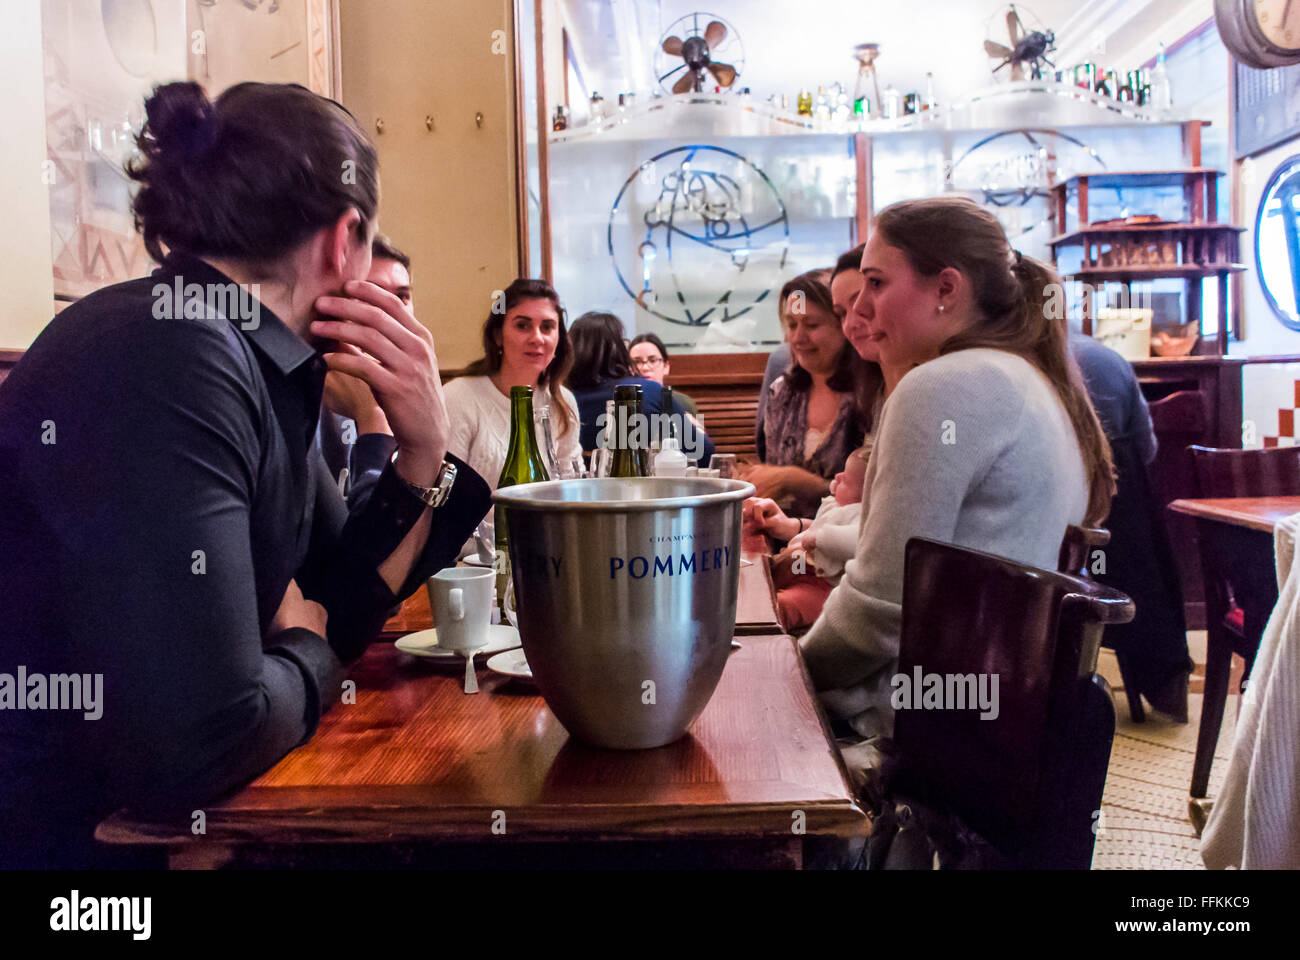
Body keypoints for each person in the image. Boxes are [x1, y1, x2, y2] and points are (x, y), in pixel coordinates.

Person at [0, 81, 488, 867]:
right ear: (345, 238)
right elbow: (192, 744)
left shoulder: (249, 357)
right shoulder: (175, 352)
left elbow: (341, 599)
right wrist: (306, 650)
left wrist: (421, 452)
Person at [756, 196, 1115, 768]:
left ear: (946, 288)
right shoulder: (1027, 376)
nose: (860, 312)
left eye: (876, 283)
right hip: (1002, 718)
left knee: (716, 734)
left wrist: (783, 679)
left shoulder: (944, 387)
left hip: (925, 734)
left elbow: (878, 610)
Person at [1070, 333, 1192, 721]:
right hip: (1125, 512)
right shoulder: (1109, 359)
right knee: (1139, 570)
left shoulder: (1021, 360)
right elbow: (1148, 448)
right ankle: (1162, 680)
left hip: (1066, 516)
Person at [442, 278, 581, 545]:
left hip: (549, 548)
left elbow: (572, 490)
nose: (537, 338)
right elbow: (446, 502)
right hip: (472, 558)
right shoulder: (459, 397)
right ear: (498, 335)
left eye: (548, 327)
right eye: (522, 325)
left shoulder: (563, 402)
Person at [743, 272, 867, 518]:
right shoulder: (781, 392)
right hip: (783, 538)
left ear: (842, 325)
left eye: (811, 325)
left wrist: (794, 479)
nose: (797, 338)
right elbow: (774, 483)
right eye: (791, 325)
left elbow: (868, 497)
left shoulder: (868, 395)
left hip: (843, 543)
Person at [318, 234, 412, 503]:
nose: (392, 309)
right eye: (373, 293)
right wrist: (373, 415)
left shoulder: (414, 394)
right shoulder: (308, 389)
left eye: (402, 296)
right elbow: (375, 539)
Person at [567, 311, 715, 463]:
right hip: (645, 484)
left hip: (578, 485)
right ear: (618, 349)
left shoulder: (561, 397)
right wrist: (694, 428)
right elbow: (703, 453)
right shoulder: (649, 391)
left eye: (653, 360)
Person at [764, 446, 871, 632]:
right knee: (760, 576)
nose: (837, 478)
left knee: (781, 608)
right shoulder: (837, 505)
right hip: (800, 567)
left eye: (845, 480)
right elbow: (815, 527)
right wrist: (794, 530)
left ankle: (761, 634)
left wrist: (820, 538)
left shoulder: (862, 515)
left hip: (824, 587)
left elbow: (859, 542)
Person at [627, 333, 700, 418]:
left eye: (652, 360)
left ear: (666, 366)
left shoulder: (684, 403)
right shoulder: (622, 403)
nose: (645, 367)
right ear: (629, 368)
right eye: (637, 362)